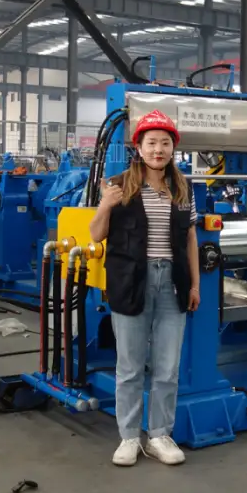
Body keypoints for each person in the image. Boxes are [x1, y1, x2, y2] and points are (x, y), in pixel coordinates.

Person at [89, 109, 201, 467]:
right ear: (138, 147)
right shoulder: (118, 184)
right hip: (130, 281)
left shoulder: (182, 188)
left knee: (167, 367)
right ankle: (128, 437)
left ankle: (159, 436)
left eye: (165, 143)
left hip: (173, 283)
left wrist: (195, 284)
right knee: (130, 366)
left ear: (173, 148)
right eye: (151, 143)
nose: (158, 150)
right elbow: (96, 235)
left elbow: (190, 238)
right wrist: (105, 205)